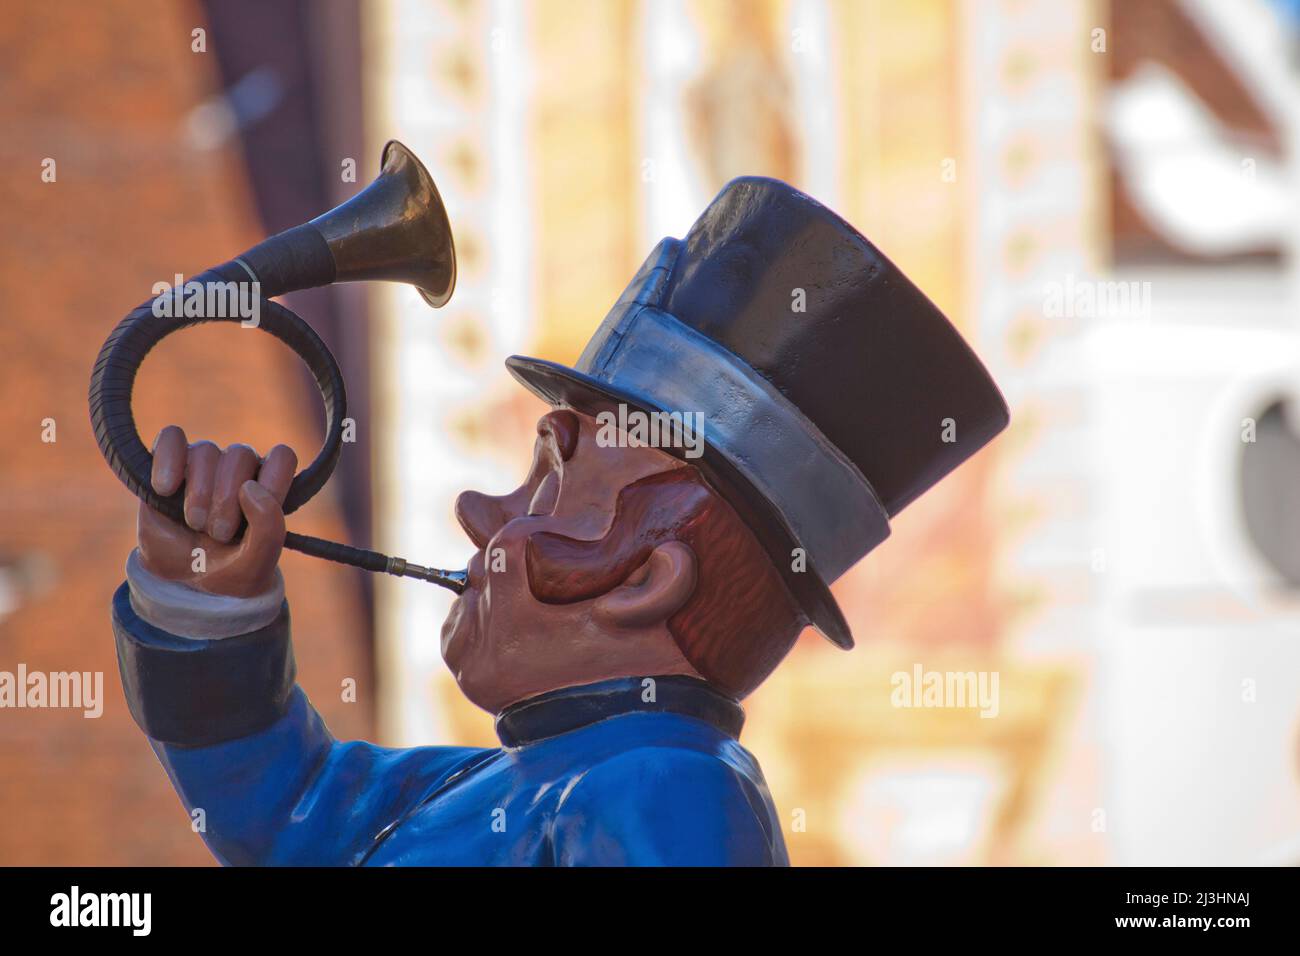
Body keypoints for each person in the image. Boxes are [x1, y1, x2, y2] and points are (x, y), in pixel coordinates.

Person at [111, 176, 1009, 865]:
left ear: (647, 579)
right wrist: (208, 603)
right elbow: (289, 806)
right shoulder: (492, 781)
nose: (478, 513)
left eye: (547, 489)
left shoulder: (666, 785)